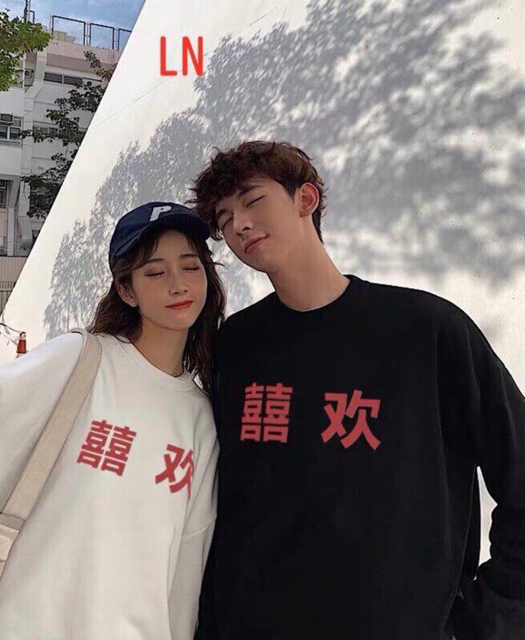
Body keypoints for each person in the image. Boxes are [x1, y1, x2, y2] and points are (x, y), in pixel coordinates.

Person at [188, 141, 525, 640]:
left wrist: (487, 621)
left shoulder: (425, 331)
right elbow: (227, 506)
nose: (238, 224)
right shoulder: (236, 346)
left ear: (305, 199)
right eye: (223, 218)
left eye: (252, 200)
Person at [0, 202, 225, 639]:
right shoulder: (75, 363)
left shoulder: (199, 418)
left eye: (191, 267)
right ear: (127, 290)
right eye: (155, 272)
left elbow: (185, 570)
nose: (178, 284)